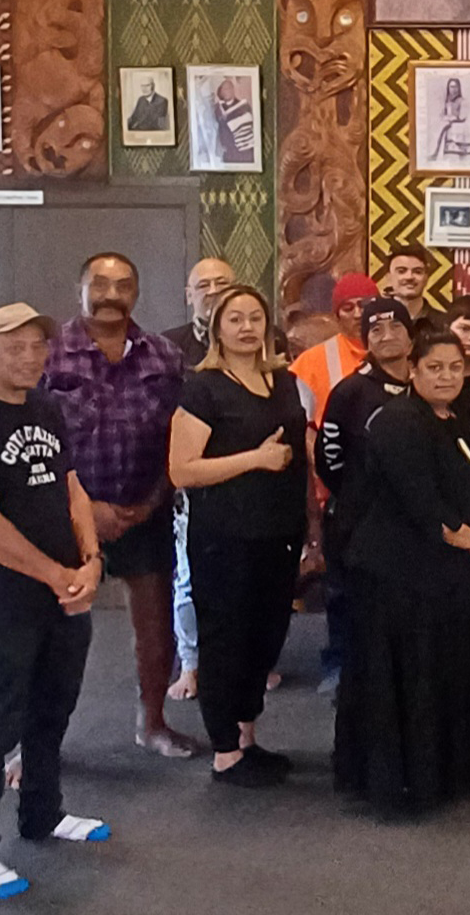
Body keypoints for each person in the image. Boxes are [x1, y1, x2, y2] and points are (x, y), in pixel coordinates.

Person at [0, 303, 112, 900]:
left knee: (53, 708)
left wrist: (90, 560)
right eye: (14, 347)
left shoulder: (47, 407)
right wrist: (55, 573)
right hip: (2, 597)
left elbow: (71, 488)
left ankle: (42, 813)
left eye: (38, 346)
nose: (29, 357)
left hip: (63, 590)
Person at [333, 328, 470, 814]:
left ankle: (445, 772)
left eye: (455, 367)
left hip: (445, 573)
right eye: (434, 367)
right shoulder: (397, 423)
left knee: (442, 673)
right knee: (407, 680)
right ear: (413, 370)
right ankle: (402, 782)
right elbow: (425, 506)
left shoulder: (455, 419)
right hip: (397, 576)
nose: (446, 376)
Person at [38, 253, 200, 758]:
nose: (111, 294)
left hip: (144, 510)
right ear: (79, 288)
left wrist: (153, 498)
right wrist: (87, 508)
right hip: (65, 516)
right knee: (51, 635)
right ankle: (36, 742)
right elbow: (35, 439)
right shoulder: (49, 354)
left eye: (123, 285)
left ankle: (152, 724)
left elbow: (180, 434)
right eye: (100, 284)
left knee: (155, 634)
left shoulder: (163, 356)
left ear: (138, 291)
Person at [168, 285, 311, 787]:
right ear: (217, 328)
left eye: (256, 317)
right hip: (223, 537)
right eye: (236, 319)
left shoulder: (286, 382)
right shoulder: (202, 387)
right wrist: (255, 459)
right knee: (226, 641)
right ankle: (225, 752)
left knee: (265, 637)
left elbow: (297, 456)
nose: (247, 327)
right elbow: (182, 470)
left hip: (279, 532)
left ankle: (248, 738)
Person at [313, 298, 416, 696]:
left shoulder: (426, 381)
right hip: (361, 522)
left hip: (416, 522)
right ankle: (347, 675)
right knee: (356, 605)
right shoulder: (350, 391)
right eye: (376, 330)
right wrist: (357, 496)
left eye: (396, 328)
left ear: (412, 335)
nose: (387, 336)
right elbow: (329, 457)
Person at [162, 256, 240, 703]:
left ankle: (249, 662)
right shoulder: (168, 347)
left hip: (251, 479)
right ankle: (191, 664)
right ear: (188, 294)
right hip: (192, 482)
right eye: (202, 284)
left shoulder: (264, 340)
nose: (212, 290)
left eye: (221, 283)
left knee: (245, 580)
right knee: (189, 581)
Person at [293, 273, 380, 427]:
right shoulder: (310, 362)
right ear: (336, 316)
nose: (358, 314)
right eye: (348, 308)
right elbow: (298, 423)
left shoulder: (401, 353)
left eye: (365, 306)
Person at [380, 245, 434, 328]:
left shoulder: (444, 323)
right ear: (389, 277)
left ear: (426, 278)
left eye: (417, 272)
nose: (409, 277)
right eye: (401, 271)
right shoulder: (377, 321)